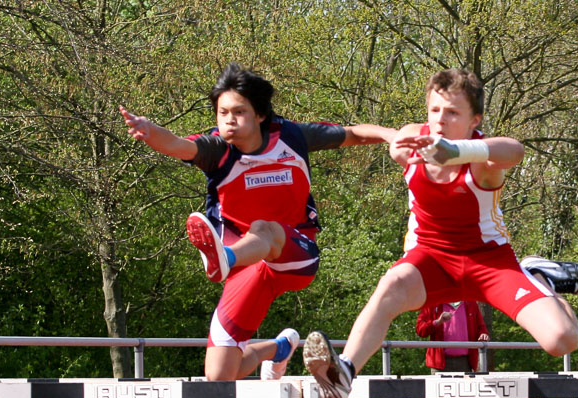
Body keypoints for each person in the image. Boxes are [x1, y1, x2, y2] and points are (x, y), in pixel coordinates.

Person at [303, 68, 578, 398]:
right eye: (434, 110)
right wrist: (383, 136)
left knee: (562, 340)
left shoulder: (483, 161)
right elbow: (378, 133)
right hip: (431, 259)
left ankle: (539, 277)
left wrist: (457, 151)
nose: (440, 120)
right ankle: (345, 373)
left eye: (453, 112)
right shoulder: (413, 143)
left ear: (475, 120)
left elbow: (514, 150)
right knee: (391, 283)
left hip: (489, 263)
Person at [120, 63, 395, 381]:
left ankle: (226, 257)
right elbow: (178, 145)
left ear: (260, 115)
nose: (229, 121)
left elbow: (354, 134)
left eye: (238, 112)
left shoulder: (291, 137)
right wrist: (151, 132)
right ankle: (277, 348)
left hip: (295, 252)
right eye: (222, 113)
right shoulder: (217, 151)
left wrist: (393, 135)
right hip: (250, 269)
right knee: (219, 375)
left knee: (264, 228)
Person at [416, 301, 489, 398]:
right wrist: (438, 322)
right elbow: (420, 330)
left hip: (465, 362)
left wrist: (483, 335)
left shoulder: (470, 304)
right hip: (440, 364)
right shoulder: (433, 303)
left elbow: (481, 328)